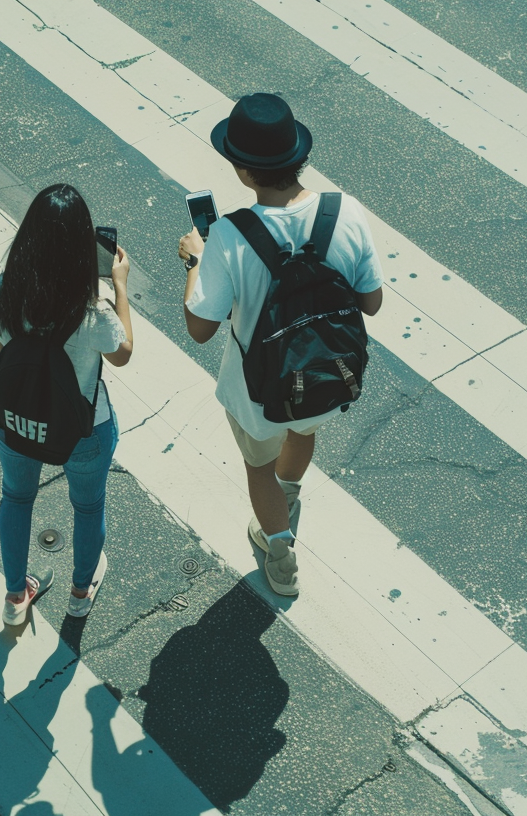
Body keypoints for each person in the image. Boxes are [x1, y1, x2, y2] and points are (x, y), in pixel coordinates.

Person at [178, 94, 384, 596]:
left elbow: (200, 328)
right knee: (303, 428)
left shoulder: (228, 235)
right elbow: (371, 302)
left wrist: (196, 263)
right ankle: (288, 495)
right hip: (324, 373)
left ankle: (280, 553)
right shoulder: (346, 211)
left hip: (258, 389)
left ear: (244, 173)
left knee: (258, 465)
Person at [0, 183, 134, 626]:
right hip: (82, 430)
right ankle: (79, 591)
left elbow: (0, 348)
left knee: (16, 496)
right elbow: (123, 353)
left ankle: (16, 598)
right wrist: (120, 288)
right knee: (88, 506)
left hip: (17, 419)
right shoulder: (91, 309)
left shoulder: (2, 288)